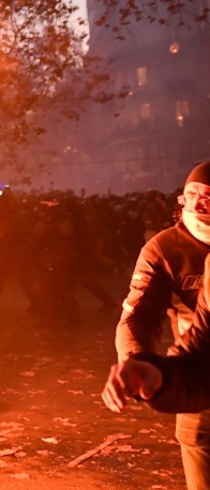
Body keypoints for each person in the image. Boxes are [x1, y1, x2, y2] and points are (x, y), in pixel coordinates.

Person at [115, 160, 210, 490]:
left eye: (209, 196)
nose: (199, 204)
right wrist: (138, 361)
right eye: (192, 194)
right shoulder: (164, 248)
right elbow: (139, 316)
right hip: (197, 375)